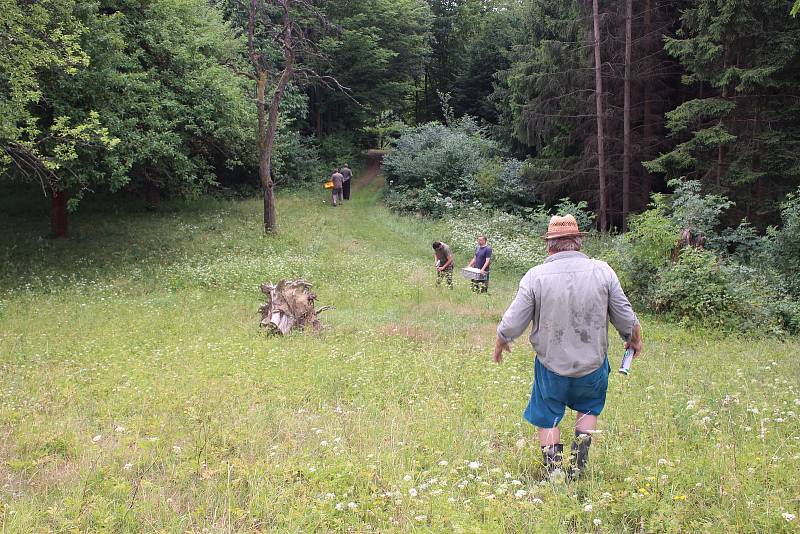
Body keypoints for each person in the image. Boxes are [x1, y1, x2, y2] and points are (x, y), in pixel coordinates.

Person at [492, 214, 643, 479]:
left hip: (551, 365)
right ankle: (578, 468)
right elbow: (626, 316)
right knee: (589, 408)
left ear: (549, 246)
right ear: (578, 243)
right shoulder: (602, 271)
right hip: (593, 364)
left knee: (547, 414)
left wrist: (502, 340)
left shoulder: (535, 276)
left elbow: (513, 321)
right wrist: (633, 339)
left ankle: (554, 473)